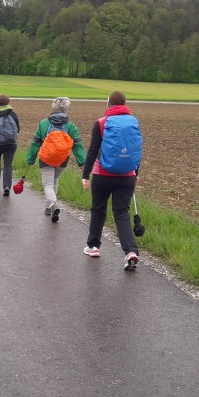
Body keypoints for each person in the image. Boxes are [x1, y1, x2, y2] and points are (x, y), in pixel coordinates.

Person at [81, 91, 142, 271]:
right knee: (122, 213)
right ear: (125, 104)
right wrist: (136, 172)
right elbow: (136, 149)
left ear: (108, 104)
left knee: (98, 209)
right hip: (127, 176)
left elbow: (93, 151)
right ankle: (130, 251)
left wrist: (85, 175)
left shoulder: (101, 123)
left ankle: (93, 246)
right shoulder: (133, 122)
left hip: (103, 174)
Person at [26, 97, 87, 222]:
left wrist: (30, 159)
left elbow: (35, 143)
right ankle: (49, 206)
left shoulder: (44, 124)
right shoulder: (70, 126)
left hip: (46, 158)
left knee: (48, 184)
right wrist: (82, 163)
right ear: (66, 110)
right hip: (62, 159)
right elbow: (78, 145)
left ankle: (52, 204)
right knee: (55, 180)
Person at [0, 94, 20, 196]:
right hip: (11, 144)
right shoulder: (13, 114)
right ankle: (6, 186)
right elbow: (18, 129)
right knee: (8, 165)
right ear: (8, 102)